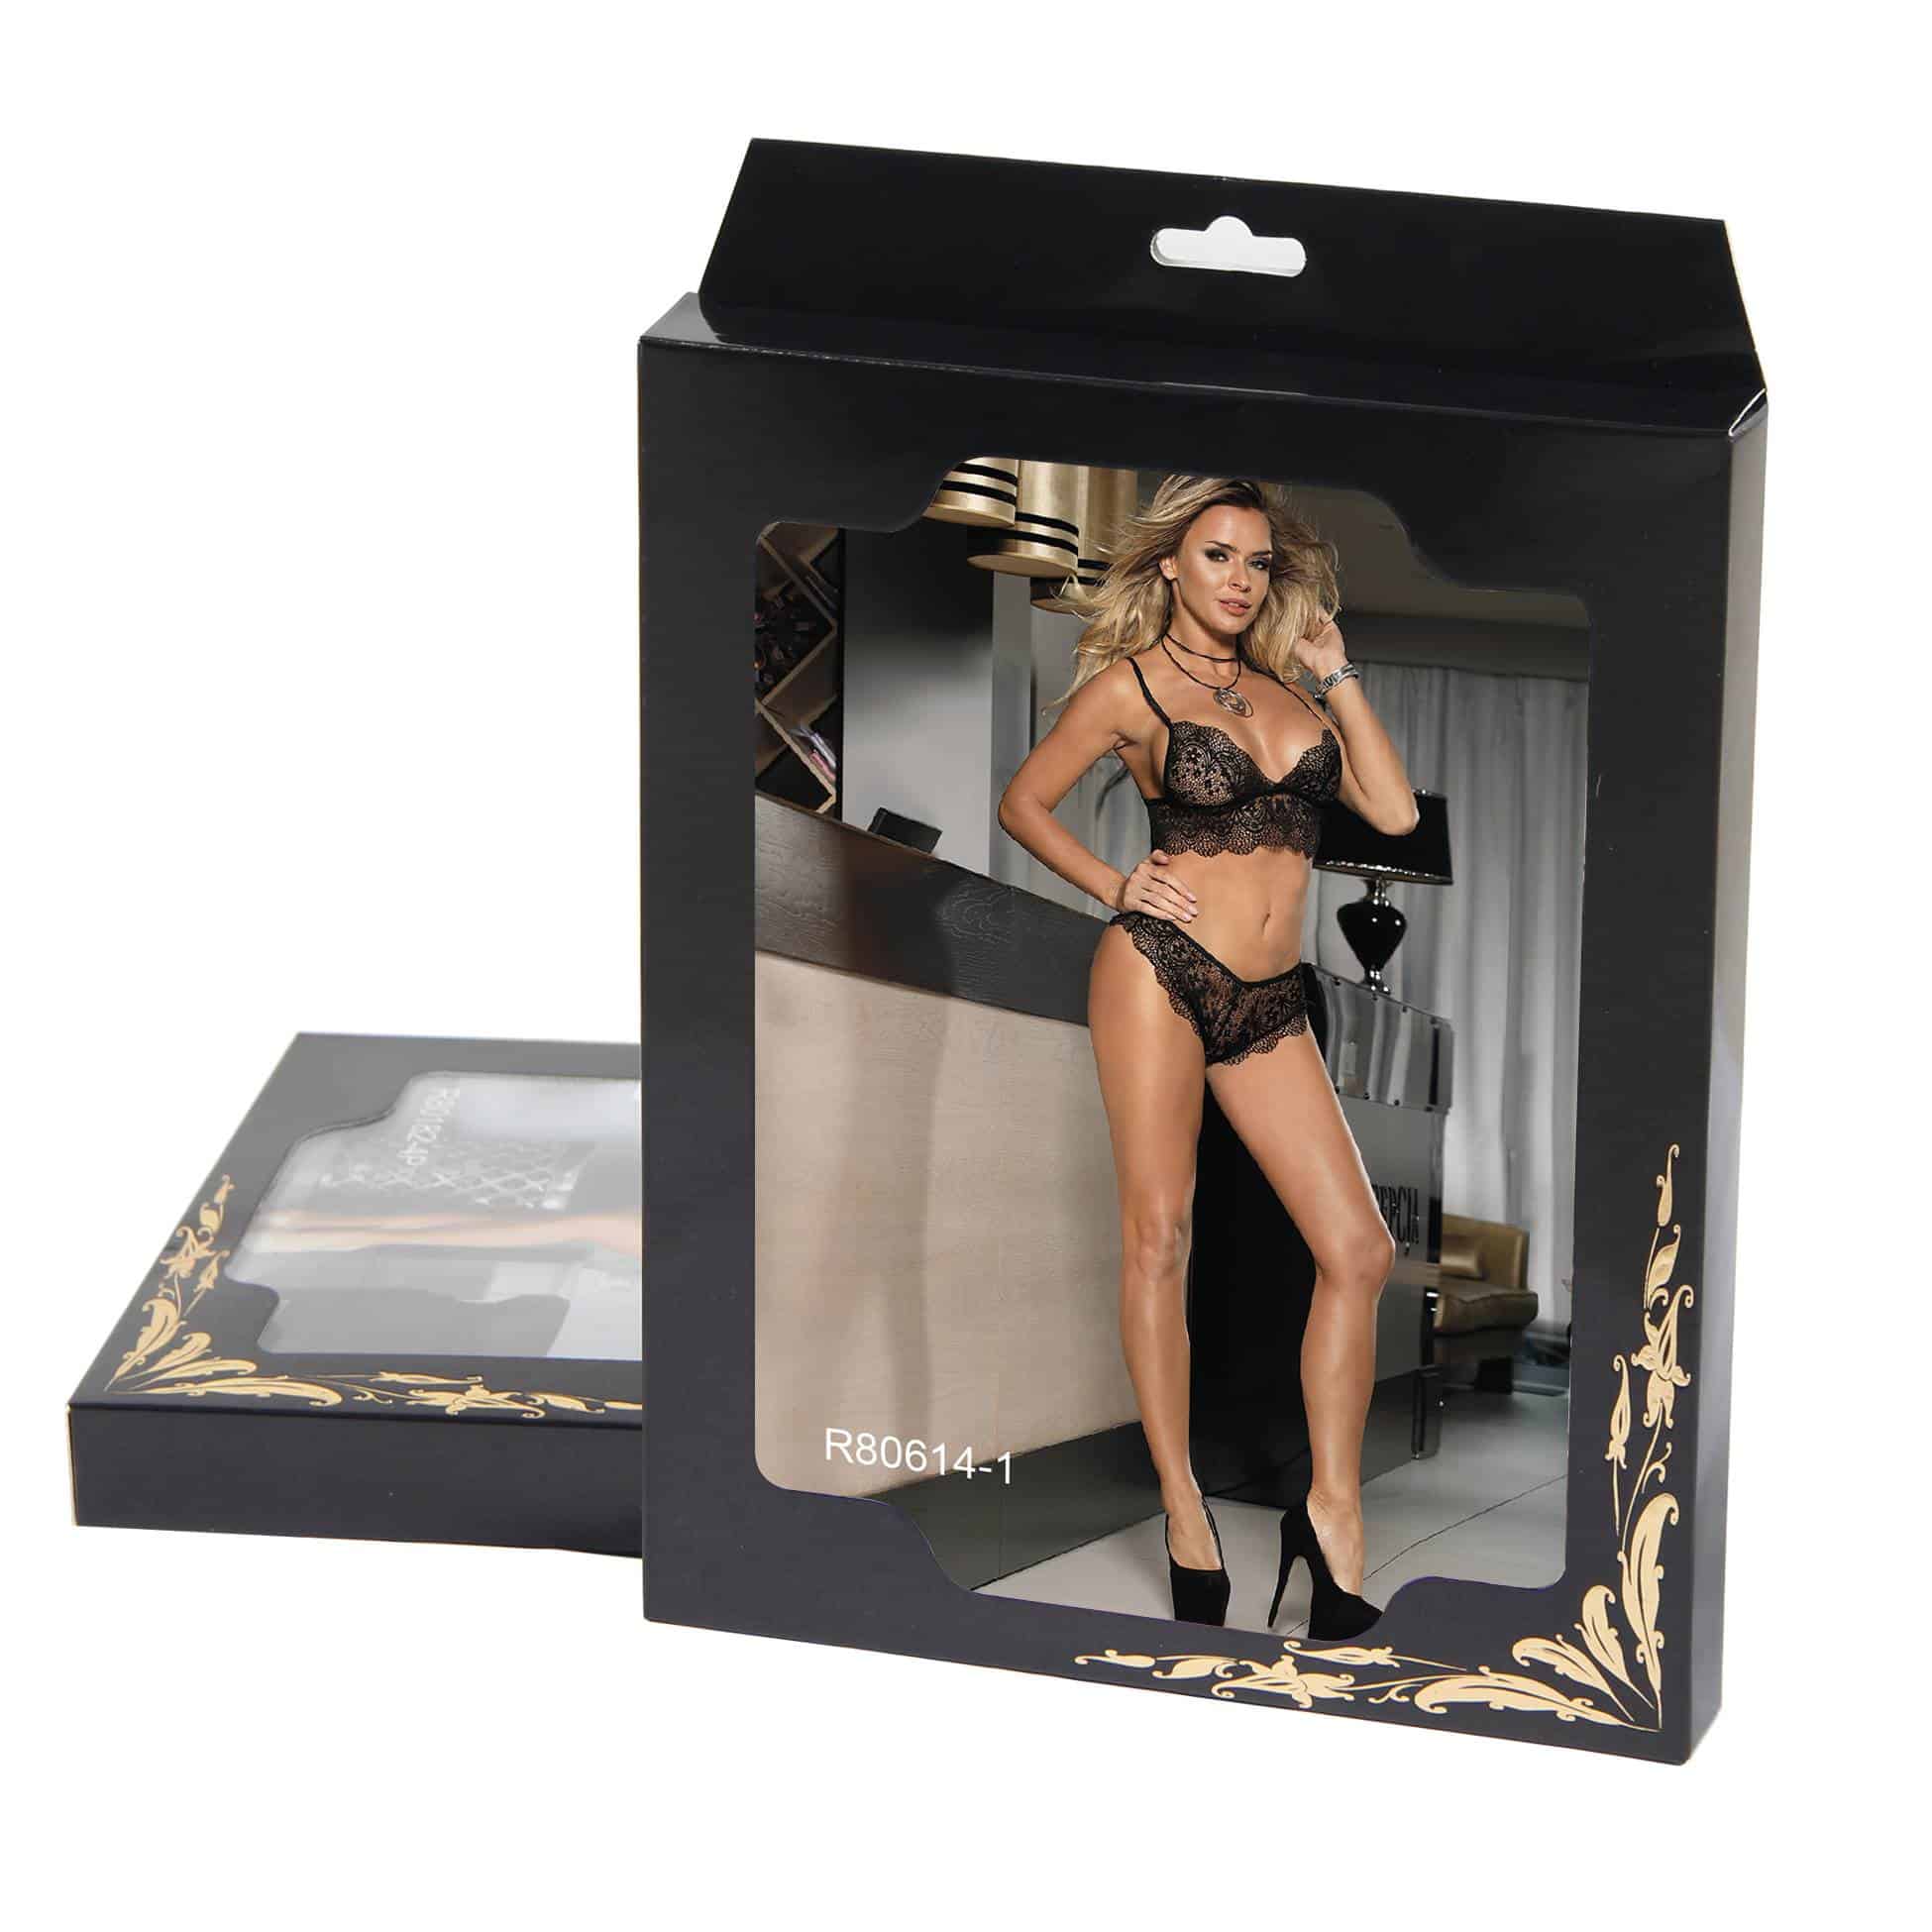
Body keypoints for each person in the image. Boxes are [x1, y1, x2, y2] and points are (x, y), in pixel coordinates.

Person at [996, 476, 1419, 1636]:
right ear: (1171, 565)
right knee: (1159, 1238)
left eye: (1257, 560)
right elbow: (1025, 802)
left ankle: (1330, 1516)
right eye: (1218, 554)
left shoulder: (1293, 689)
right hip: (1158, 974)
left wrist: (1337, 670)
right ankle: (1185, 1512)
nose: (1239, 577)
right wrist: (1114, 884)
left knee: (1358, 1250)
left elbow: (1391, 813)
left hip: (1272, 1002)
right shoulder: (1129, 688)